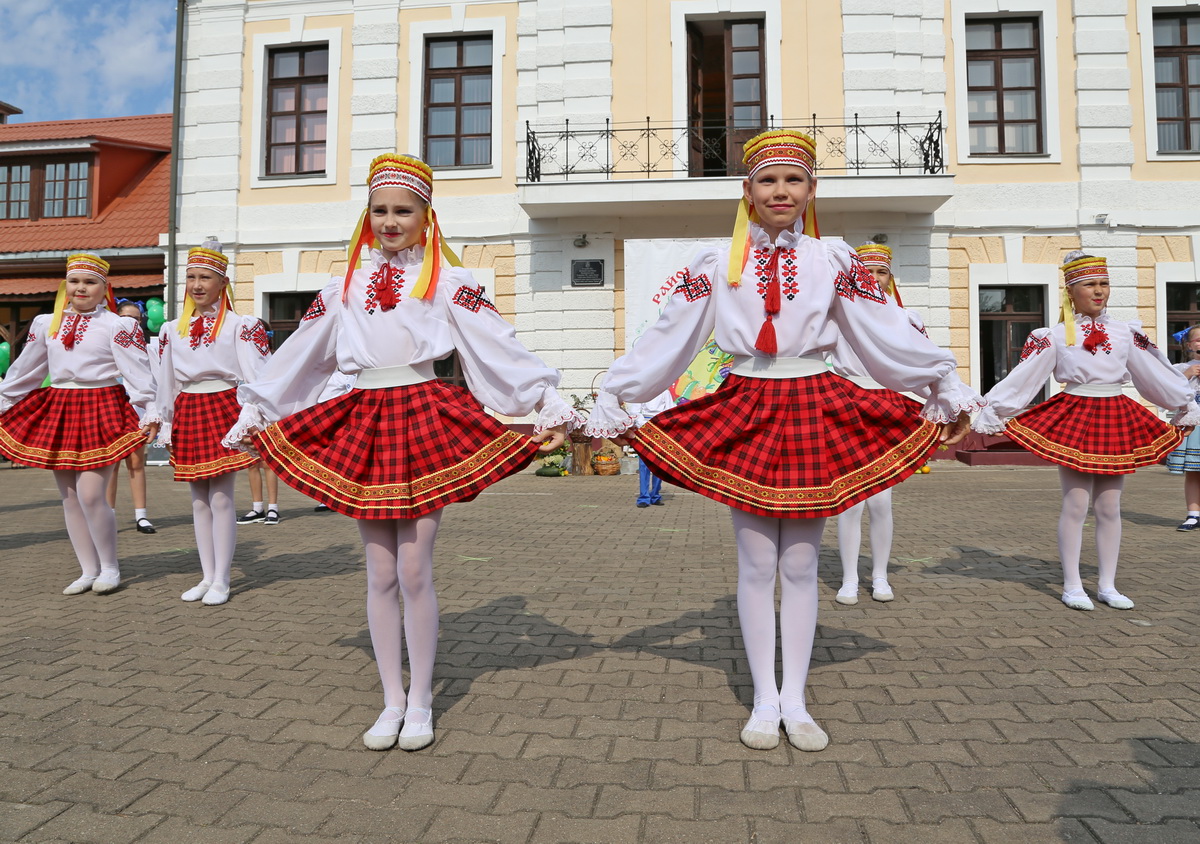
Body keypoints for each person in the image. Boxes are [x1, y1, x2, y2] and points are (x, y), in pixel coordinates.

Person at [583, 130, 979, 752]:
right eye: (767, 180)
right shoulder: (716, 263)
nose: (780, 191)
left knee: (799, 563)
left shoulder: (834, 260)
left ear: (811, 190)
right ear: (747, 191)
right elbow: (669, 336)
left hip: (815, 404)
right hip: (747, 405)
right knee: (755, 562)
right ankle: (763, 698)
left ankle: (796, 695)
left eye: (793, 180)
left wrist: (940, 378)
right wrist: (619, 390)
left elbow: (882, 329)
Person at [223, 153, 577, 751]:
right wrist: (259, 408)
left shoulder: (447, 281)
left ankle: (422, 700)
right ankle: (391, 697)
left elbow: (494, 345)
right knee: (379, 569)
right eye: (380, 209)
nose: (390, 220)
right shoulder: (343, 286)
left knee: (415, 567)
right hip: (364, 415)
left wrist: (545, 401)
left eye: (403, 210)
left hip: (423, 414)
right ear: (368, 215)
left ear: (425, 215)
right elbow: (302, 352)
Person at [974, 251, 1198, 611]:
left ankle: (1108, 584)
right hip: (1075, 415)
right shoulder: (1057, 335)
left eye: (1104, 283)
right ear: (1071, 291)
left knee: (1110, 506)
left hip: (1115, 414)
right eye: (1090, 285)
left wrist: (1181, 402)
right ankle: (1073, 584)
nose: (1099, 291)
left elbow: (1152, 372)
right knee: (1076, 504)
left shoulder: (1125, 332)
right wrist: (994, 408)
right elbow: (1026, 377)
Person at [0, 253, 158, 595]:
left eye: (90, 282)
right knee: (69, 497)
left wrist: (150, 410)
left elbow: (137, 371)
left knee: (90, 494)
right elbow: (28, 370)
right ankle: (88, 569)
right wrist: (4, 400)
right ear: (65, 285)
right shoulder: (47, 323)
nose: (81, 288)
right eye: (74, 281)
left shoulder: (117, 325)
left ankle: (111, 567)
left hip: (102, 406)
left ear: (105, 288)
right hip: (60, 406)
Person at [157, 242, 270, 606]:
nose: (196, 284)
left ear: (223, 282)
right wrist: (165, 423)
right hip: (188, 407)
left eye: (205, 277)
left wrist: (251, 418)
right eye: (190, 277)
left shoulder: (241, 325)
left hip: (223, 405)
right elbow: (166, 380)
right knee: (198, 500)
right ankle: (206, 575)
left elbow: (257, 375)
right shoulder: (173, 329)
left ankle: (222, 578)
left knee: (221, 497)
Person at [828, 242, 927, 605]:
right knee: (851, 500)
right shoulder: (836, 317)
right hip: (848, 404)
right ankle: (850, 578)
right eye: (866, 272)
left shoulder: (906, 318)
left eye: (881, 272)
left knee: (882, 501)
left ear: (890, 279)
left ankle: (880, 576)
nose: (873, 278)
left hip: (887, 407)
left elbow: (921, 362)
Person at [106, 299, 157, 534]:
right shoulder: (108, 347)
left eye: (137, 319)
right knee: (111, 465)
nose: (133, 323)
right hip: (112, 408)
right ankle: (108, 515)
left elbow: (152, 381)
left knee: (136, 463)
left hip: (137, 410)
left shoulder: (147, 350)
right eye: (127, 318)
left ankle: (141, 516)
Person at [1167, 325, 1200, 531]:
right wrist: (1187, 375)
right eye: (1197, 340)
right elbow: (1169, 395)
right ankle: (1193, 514)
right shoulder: (1180, 368)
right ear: (1189, 345)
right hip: (1194, 425)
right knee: (1193, 472)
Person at [628, 389, 673, 507]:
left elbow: (669, 410)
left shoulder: (664, 391)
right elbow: (635, 412)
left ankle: (655, 494)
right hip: (644, 428)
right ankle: (644, 496)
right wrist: (644, 424)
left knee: (660, 463)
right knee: (644, 464)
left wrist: (661, 425)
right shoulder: (641, 391)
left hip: (660, 428)